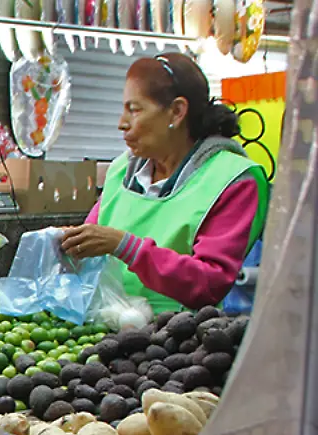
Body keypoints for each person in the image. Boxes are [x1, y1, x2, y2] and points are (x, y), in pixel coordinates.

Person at [60, 53, 269, 311]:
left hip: (180, 343)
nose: (121, 124)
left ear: (177, 112)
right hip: (105, 332)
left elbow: (209, 284)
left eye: (134, 110)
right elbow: (87, 245)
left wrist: (126, 247)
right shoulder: (122, 171)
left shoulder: (234, 180)